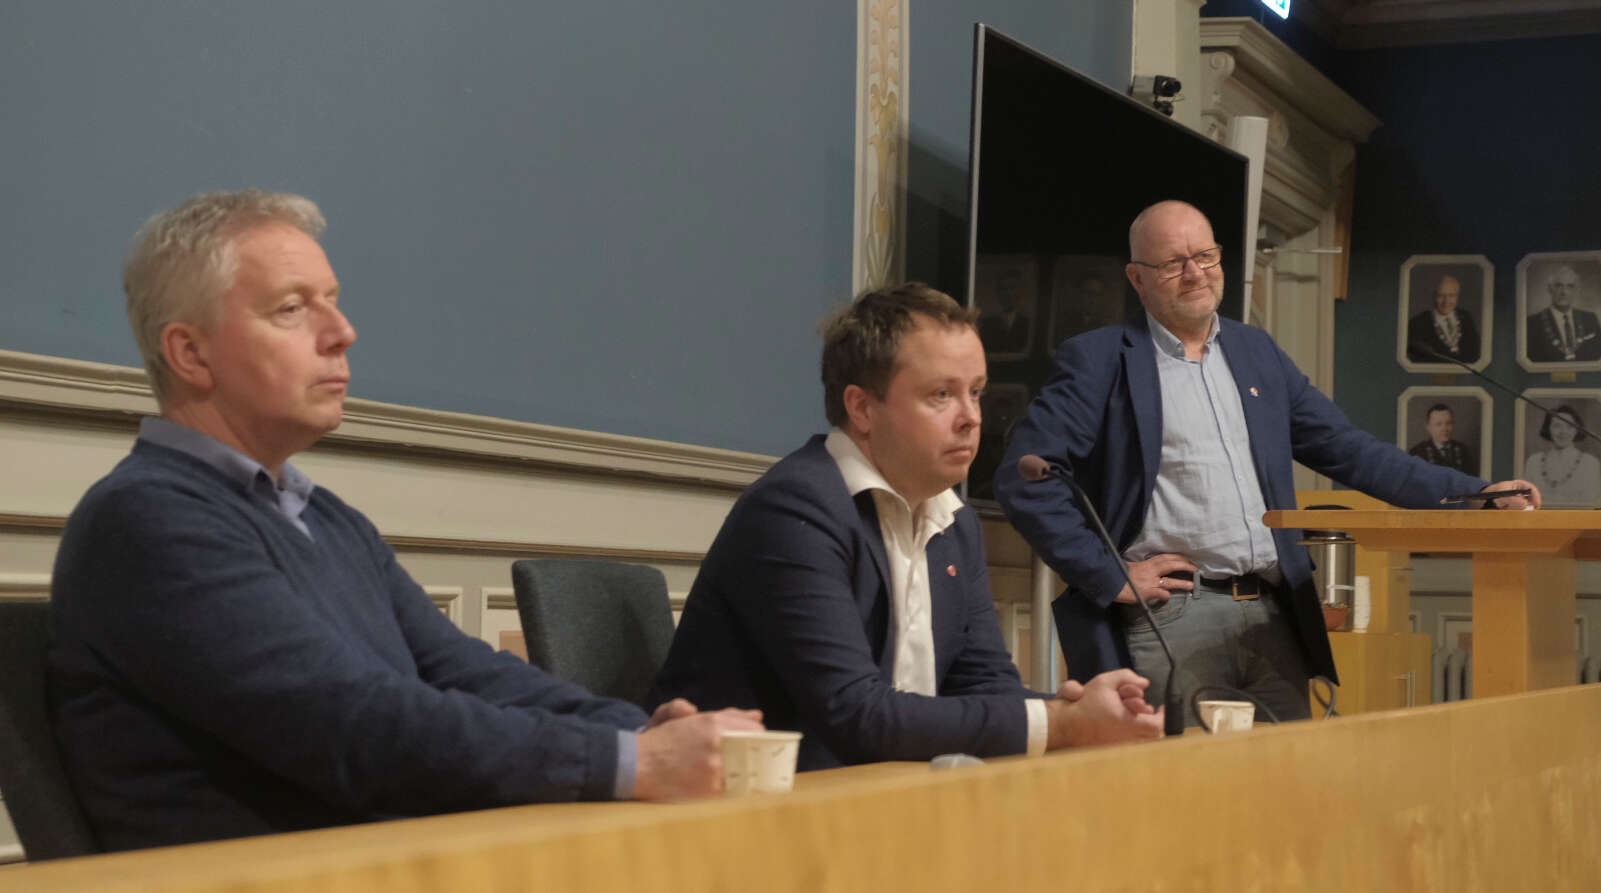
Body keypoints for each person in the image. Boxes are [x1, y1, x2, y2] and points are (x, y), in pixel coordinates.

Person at [49, 190, 762, 852]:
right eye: (292, 308)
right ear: (190, 353)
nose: (343, 332)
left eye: (333, 302)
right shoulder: (147, 519)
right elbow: (355, 725)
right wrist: (629, 761)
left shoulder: (325, 517)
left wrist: (640, 731)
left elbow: (465, 672)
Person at [993, 200, 1539, 726]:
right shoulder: (1098, 359)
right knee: (1190, 780)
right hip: (1173, 616)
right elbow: (1026, 477)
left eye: (1205, 256)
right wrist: (1107, 573)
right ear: (1137, 279)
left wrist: (1476, 495)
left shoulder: (1257, 352)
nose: (1195, 273)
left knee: (1287, 777)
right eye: (1173, 263)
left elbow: (1351, 451)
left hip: (1275, 613)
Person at [650, 283, 1164, 771]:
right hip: (750, 801)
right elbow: (856, 714)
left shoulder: (954, 523)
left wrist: (1078, 709)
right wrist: (1061, 722)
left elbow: (984, 684)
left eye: (976, 392)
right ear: (862, 408)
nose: (971, 417)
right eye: (941, 394)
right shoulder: (795, 510)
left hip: (880, 793)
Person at [1524, 405, 1601, 506]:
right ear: (1548, 428)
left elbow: (1592, 503)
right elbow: (1527, 502)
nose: (1563, 432)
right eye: (1557, 426)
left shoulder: (1590, 463)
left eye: (1569, 426)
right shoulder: (1533, 462)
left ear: (1576, 430)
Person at [1526, 265, 1601, 362]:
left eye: (1570, 286)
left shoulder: (1590, 319)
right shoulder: (1532, 323)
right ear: (1550, 289)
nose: (1564, 292)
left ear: (1576, 290)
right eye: (1558, 286)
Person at [1406, 274, 1480, 363]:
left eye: (1451, 295)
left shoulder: (1466, 317)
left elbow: (1476, 353)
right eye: (1441, 295)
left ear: (1457, 297)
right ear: (1434, 296)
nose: (1446, 301)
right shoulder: (1418, 322)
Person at [1408, 404, 1475, 474]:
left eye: (1449, 423)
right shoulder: (1417, 453)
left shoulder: (1463, 451)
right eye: (1438, 424)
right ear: (1428, 427)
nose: (1444, 429)